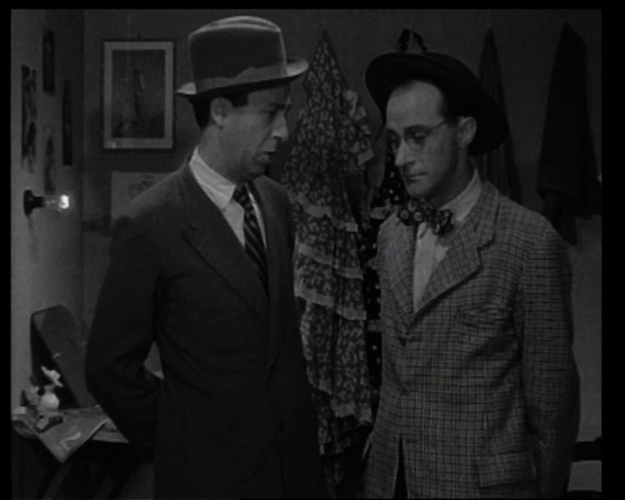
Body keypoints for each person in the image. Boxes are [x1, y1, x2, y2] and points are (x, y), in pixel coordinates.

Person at [85, 16, 327, 499]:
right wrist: (179, 437)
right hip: (209, 482)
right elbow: (109, 369)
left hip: (293, 477)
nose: (284, 130)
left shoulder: (276, 204)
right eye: (271, 113)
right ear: (220, 111)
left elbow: (278, 350)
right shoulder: (150, 224)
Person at [361, 49, 580, 498]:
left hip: (480, 485)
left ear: (464, 131)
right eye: (395, 141)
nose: (401, 158)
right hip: (392, 480)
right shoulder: (392, 235)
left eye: (418, 137)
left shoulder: (528, 242)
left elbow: (552, 404)